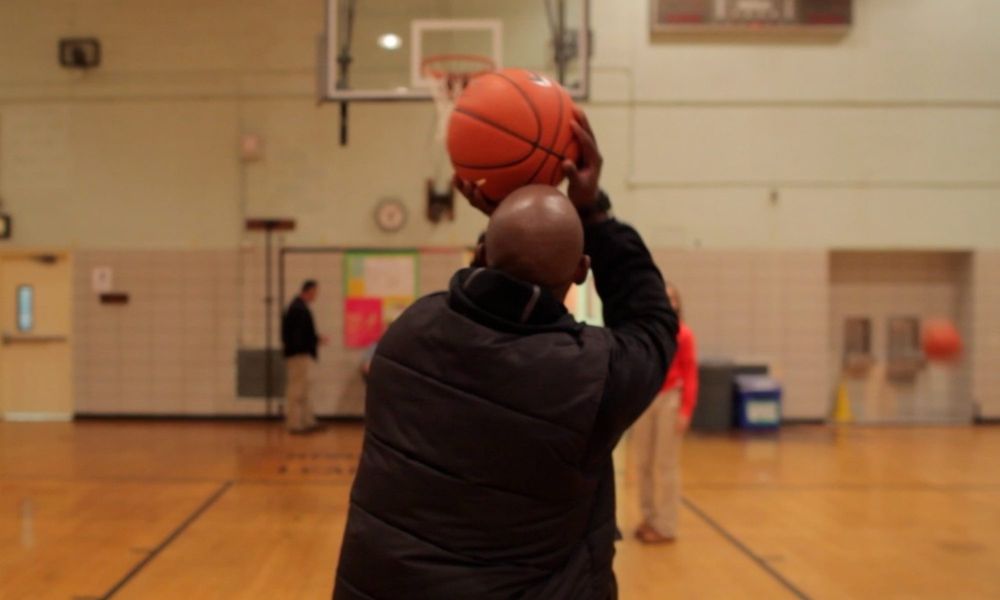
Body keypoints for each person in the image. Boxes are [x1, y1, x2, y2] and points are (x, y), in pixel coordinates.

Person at [333, 111, 679, 600]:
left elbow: (490, 284)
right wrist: (594, 210)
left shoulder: (409, 333)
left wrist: (506, 220)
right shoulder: (593, 378)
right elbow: (652, 320)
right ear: (582, 271)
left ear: (482, 254)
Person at [632, 283, 699, 544]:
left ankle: (666, 525)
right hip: (645, 398)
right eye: (664, 298)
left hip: (670, 400)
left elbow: (690, 373)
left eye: (673, 298)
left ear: (678, 304)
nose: (668, 303)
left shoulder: (684, 334)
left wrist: (686, 410)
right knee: (643, 463)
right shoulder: (648, 332)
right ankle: (649, 517)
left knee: (665, 465)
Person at [281, 280, 327, 434]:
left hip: (301, 354)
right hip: (298, 355)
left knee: (304, 389)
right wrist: (312, 341)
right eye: (315, 292)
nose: (316, 296)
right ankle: (295, 423)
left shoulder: (299, 307)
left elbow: (301, 333)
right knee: (297, 390)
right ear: (309, 291)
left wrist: (315, 339)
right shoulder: (298, 309)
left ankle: (307, 421)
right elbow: (297, 336)